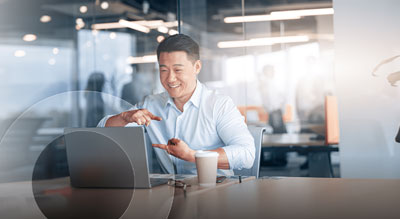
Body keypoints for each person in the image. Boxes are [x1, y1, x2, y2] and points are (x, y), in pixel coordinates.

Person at [98, 34, 254, 176]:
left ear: (197, 67)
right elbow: (102, 135)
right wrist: (125, 117)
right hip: (170, 196)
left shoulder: (219, 105)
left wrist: (192, 156)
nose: (170, 78)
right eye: (163, 70)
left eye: (178, 70)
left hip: (217, 194)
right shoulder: (150, 105)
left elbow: (246, 154)